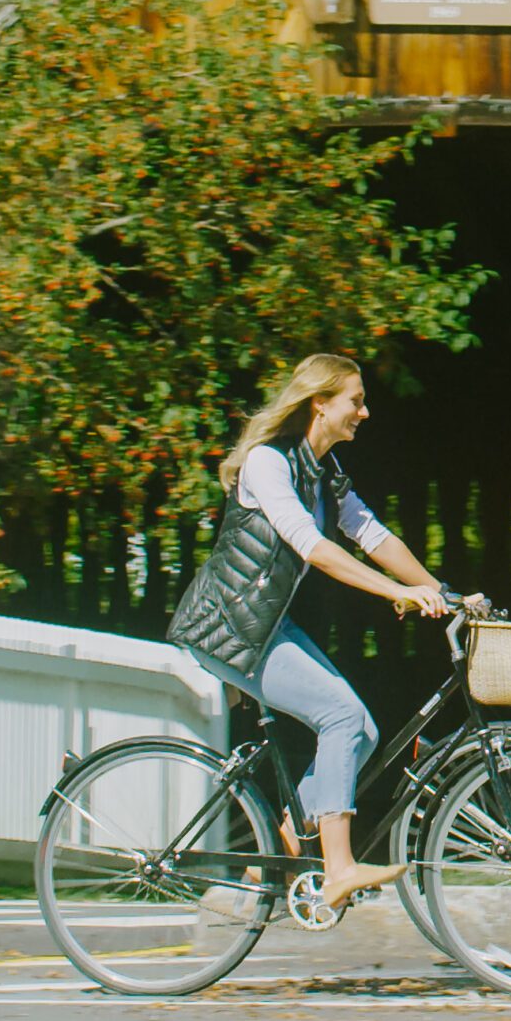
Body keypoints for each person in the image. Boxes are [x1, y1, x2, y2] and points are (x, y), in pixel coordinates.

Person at [167, 353, 448, 910]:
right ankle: (338, 866)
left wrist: (440, 590)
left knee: (361, 731)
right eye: (356, 401)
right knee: (341, 717)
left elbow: (374, 536)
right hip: (229, 627)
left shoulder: (324, 476)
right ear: (320, 402)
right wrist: (395, 592)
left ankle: (282, 847)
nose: (364, 413)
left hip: (264, 625)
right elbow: (313, 548)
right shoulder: (268, 464)